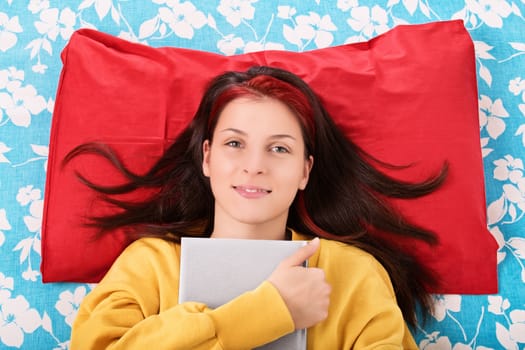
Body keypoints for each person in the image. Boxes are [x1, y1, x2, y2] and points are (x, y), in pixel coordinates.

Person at [69, 66, 447, 349]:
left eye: (279, 148)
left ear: (304, 171)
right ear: (207, 158)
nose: (254, 166)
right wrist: (270, 312)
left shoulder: (353, 272)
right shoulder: (148, 263)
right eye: (234, 143)